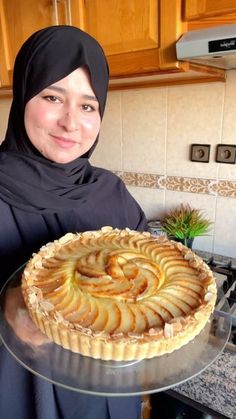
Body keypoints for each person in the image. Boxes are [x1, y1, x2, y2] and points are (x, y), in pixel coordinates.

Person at [0, 25, 147, 419]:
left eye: (87, 105)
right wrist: (4, 308)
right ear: (23, 97)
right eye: (52, 97)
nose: (71, 122)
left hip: (109, 395)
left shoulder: (113, 194)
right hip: (20, 392)